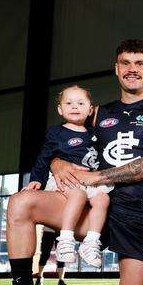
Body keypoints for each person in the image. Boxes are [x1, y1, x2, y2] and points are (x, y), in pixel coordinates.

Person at [0, 39, 143, 285]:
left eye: (140, 63)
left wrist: (97, 176)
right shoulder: (96, 113)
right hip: (94, 208)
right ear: (116, 69)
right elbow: (63, 140)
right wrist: (58, 163)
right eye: (126, 63)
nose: (133, 69)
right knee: (21, 203)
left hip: (140, 213)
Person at [23, 85, 112, 268]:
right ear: (60, 109)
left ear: (90, 109)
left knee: (103, 199)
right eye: (69, 103)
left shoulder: (95, 133)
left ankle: (91, 242)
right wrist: (35, 180)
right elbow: (44, 158)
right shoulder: (57, 132)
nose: (74, 107)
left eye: (80, 103)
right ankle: (65, 239)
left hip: (90, 182)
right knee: (78, 195)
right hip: (67, 181)